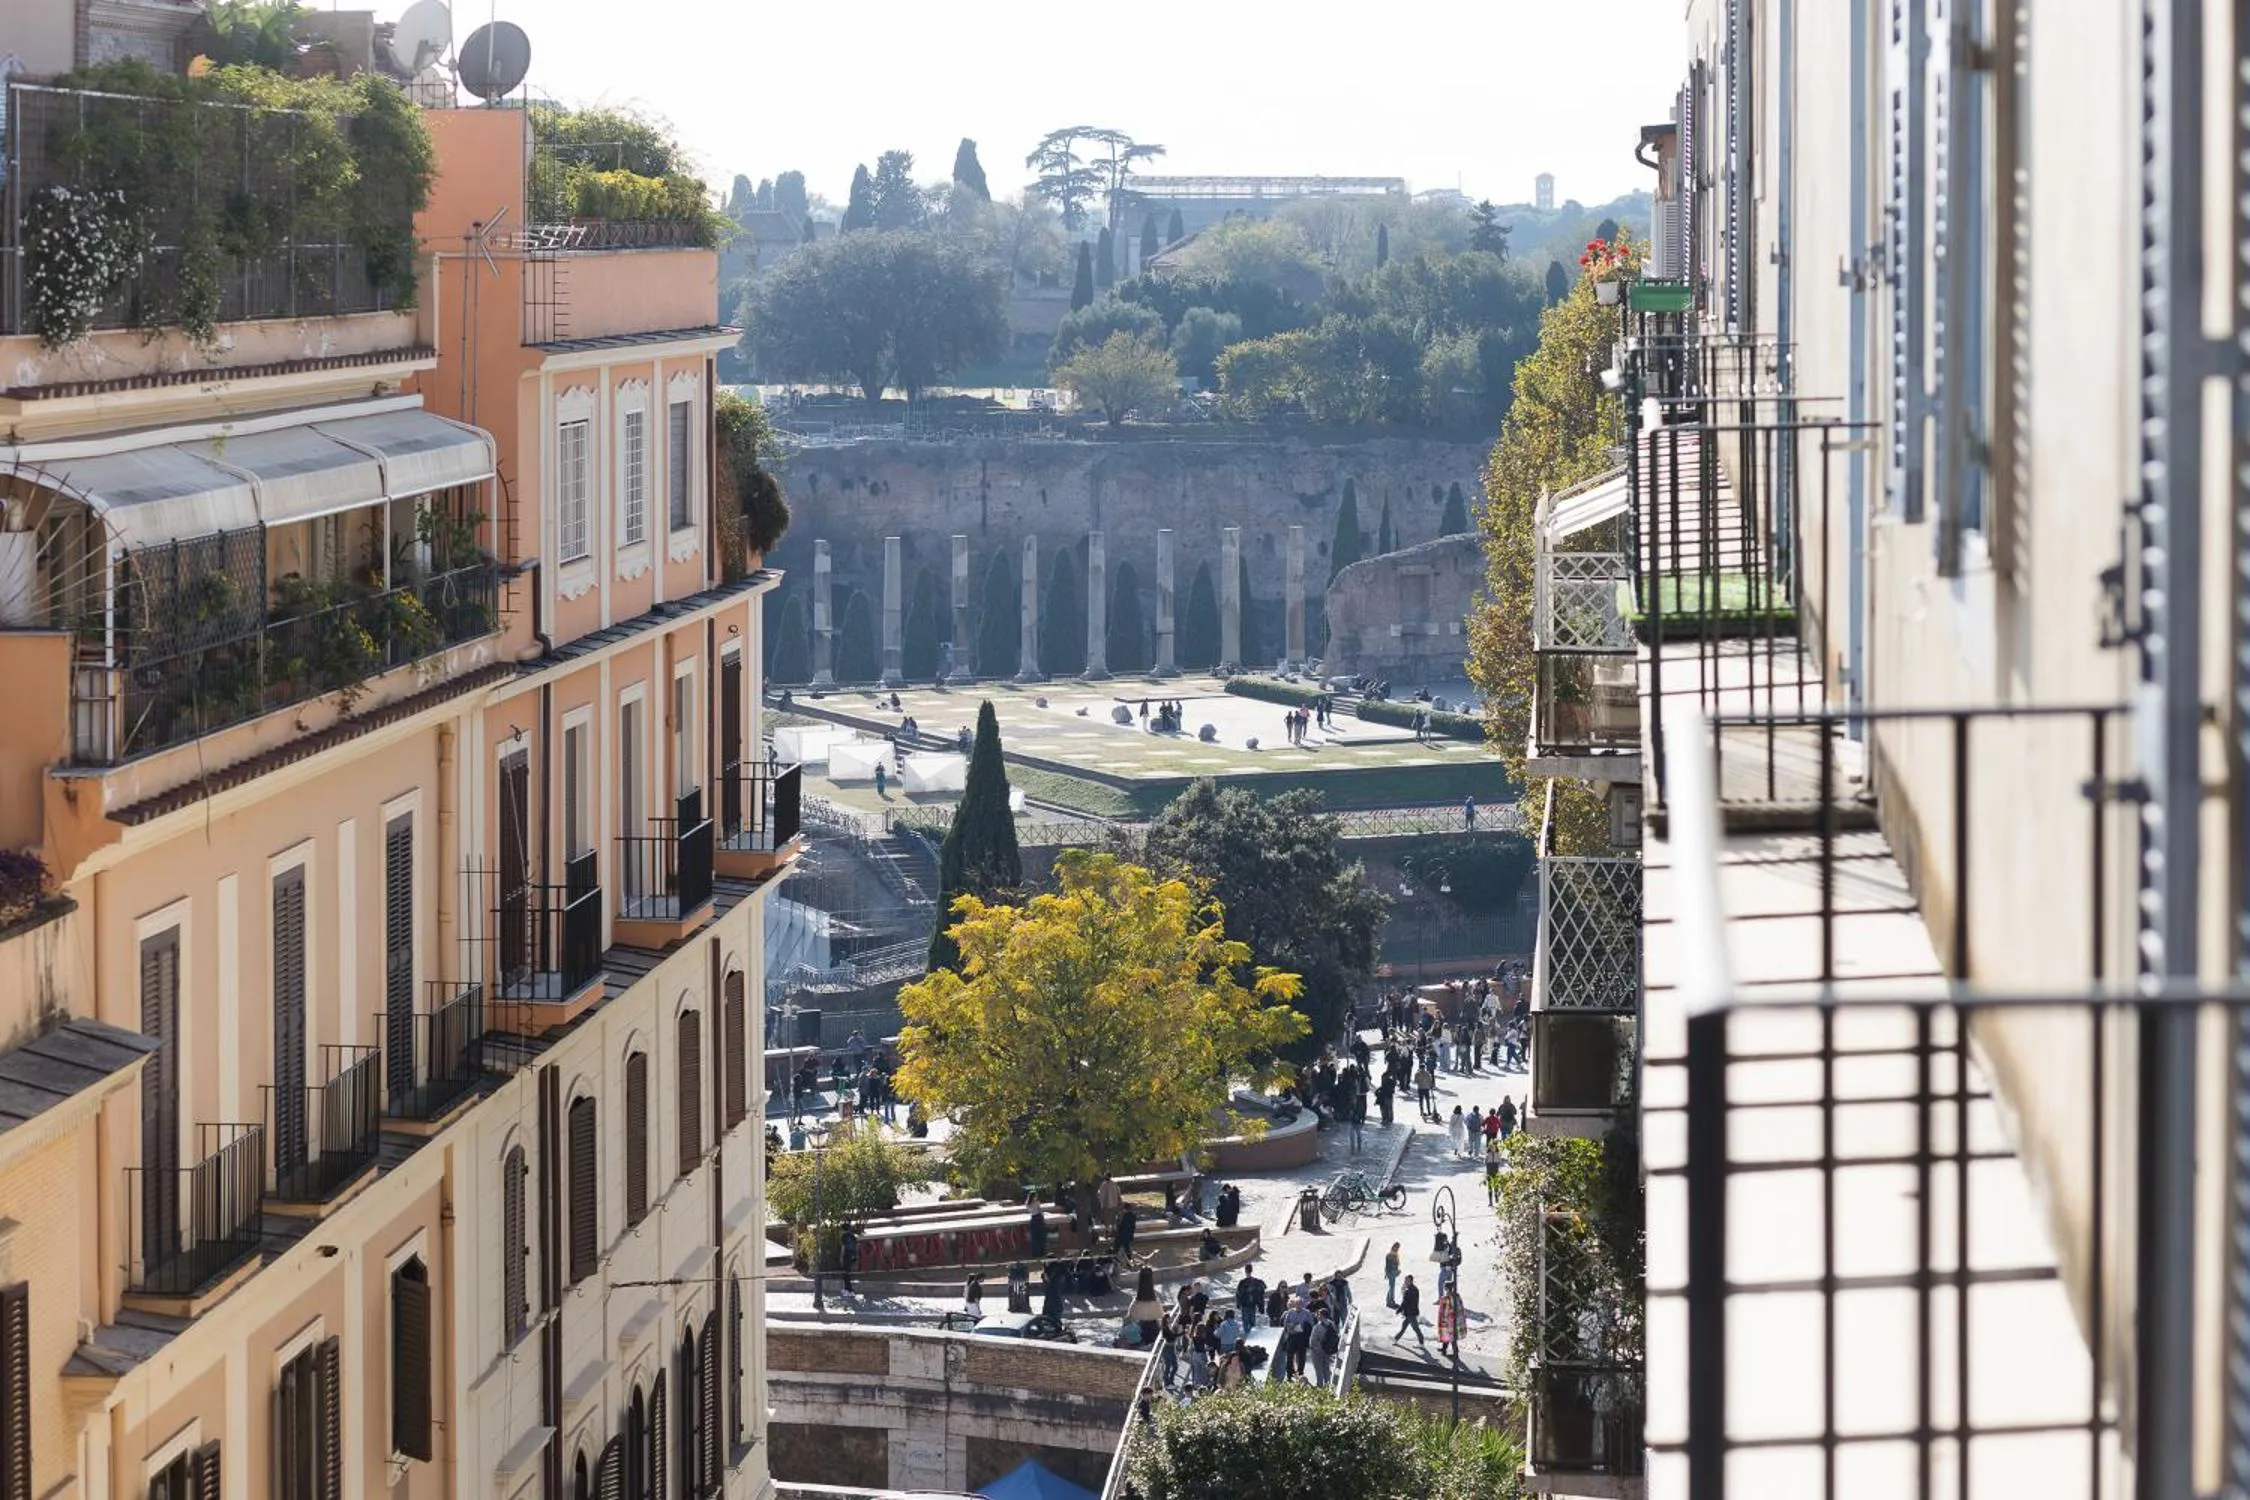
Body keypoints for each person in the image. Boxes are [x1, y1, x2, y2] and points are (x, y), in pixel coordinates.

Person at [1310, 1307, 1340, 1388]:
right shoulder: (1331, 1324)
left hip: (1317, 1351)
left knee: (1318, 1368)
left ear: (1322, 1316)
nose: (1317, 1315)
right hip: (1328, 1350)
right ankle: (1328, 1384)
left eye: (1319, 1314)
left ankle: (1320, 1385)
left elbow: (1313, 1341)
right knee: (1326, 1368)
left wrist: (1314, 1349)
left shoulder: (1317, 1327)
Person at [1395, 1274, 1427, 1346]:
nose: (1405, 1282)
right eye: (1405, 1280)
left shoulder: (1411, 1290)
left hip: (1411, 1313)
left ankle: (1421, 1342)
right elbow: (1406, 1301)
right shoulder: (1412, 1289)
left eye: (1406, 1280)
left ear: (1410, 1281)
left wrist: (1400, 1309)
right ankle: (1396, 1339)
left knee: (1414, 1328)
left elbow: (1405, 1302)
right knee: (1408, 1327)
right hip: (1411, 1312)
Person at [838, 1222, 859, 1294]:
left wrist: (841, 1257)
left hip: (846, 1256)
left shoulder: (844, 1236)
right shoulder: (853, 1236)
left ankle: (848, 1289)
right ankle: (848, 1288)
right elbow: (856, 1246)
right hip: (852, 1256)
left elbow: (843, 1247)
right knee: (848, 1272)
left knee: (845, 1273)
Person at [1384, 1242, 1402, 1309]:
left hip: (1391, 1272)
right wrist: (1396, 1271)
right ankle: (1391, 1302)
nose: (1397, 1249)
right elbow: (1390, 1265)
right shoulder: (1392, 1255)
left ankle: (1389, 1301)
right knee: (1392, 1288)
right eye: (1397, 1247)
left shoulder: (1392, 1254)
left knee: (1391, 1287)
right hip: (1391, 1272)